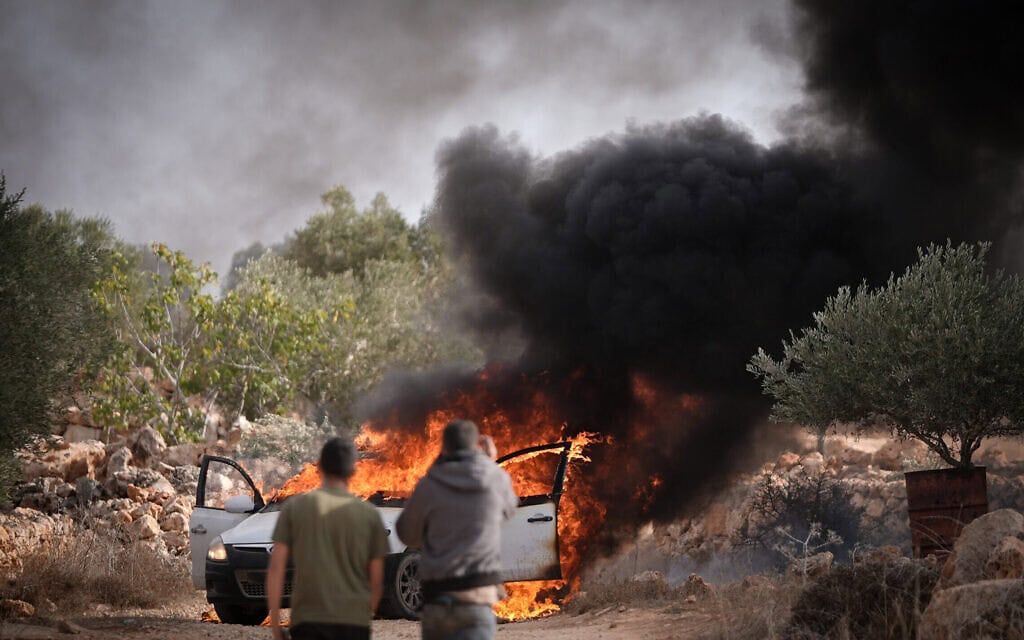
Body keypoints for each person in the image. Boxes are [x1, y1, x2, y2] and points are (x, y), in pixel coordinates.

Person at [396, 419, 518, 640]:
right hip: (477, 602)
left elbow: (407, 534)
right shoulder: (495, 478)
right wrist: (490, 462)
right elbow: (509, 511)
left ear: (444, 448)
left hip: (438, 603)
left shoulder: (429, 484)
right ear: (477, 446)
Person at [267, 437, 389, 640]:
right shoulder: (370, 515)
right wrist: (365, 615)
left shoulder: (295, 508)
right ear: (353, 471)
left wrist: (275, 625)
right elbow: (376, 580)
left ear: (319, 467)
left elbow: (276, 568)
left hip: (308, 621)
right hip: (354, 623)